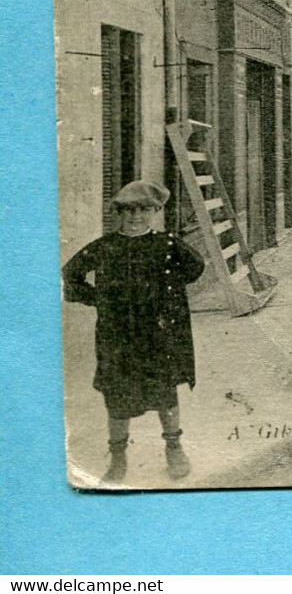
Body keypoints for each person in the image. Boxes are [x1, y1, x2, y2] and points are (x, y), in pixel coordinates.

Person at [62, 181, 206, 484]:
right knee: (117, 397)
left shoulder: (167, 244)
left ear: (155, 211)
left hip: (157, 334)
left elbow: (196, 266)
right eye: (128, 210)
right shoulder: (105, 246)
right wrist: (96, 298)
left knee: (165, 393)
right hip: (117, 336)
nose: (135, 217)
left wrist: (168, 292)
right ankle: (117, 457)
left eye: (143, 210)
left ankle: (174, 447)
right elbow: (70, 274)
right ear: (119, 213)